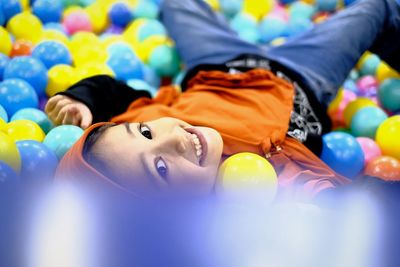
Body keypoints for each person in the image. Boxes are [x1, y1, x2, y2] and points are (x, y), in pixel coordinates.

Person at [46, 0, 400, 199]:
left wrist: (84, 100)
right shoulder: (258, 188)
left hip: (216, 63)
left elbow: (122, 95)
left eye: (146, 133)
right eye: (162, 169)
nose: (173, 138)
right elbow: (357, 206)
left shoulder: (148, 118)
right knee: (375, 8)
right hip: (302, 74)